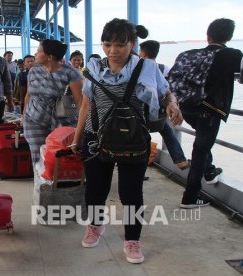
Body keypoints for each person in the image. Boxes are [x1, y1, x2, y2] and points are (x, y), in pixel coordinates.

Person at [71, 18, 183, 264]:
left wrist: (172, 105)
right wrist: (77, 139)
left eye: (120, 44)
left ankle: (132, 240)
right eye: (107, 44)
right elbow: (86, 105)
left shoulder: (148, 68)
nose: (113, 50)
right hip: (95, 138)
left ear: (132, 43)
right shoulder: (93, 67)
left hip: (134, 139)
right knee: (95, 190)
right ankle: (95, 225)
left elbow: (165, 93)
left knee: (131, 193)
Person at [175, 18, 243, 209]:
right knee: (200, 149)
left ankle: (211, 170)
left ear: (208, 35)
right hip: (210, 110)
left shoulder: (188, 54)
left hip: (186, 108)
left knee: (202, 143)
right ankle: (190, 197)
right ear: (229, 37)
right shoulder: (232, 55)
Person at [22, 39, 83, 165]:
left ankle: (59, 181)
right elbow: (28, 95)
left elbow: (80, 102)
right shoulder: (33, 70)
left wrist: (79, 128)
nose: (35, 54)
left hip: (64, 110)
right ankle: (40, 183)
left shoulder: (71, 73)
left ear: (49, 57)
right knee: (37, 153)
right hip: (34, 115)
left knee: (60, 152)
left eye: (39, 51)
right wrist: (24, 115)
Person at [139, 40, 190, 170]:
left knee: (143, 138)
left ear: (143, 53)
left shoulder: (139, 69)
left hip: (143, 111)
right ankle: (180, 160)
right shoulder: (164, 68)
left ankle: (142, 169)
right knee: (166, 130)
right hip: (161, 110)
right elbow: (170, 88)